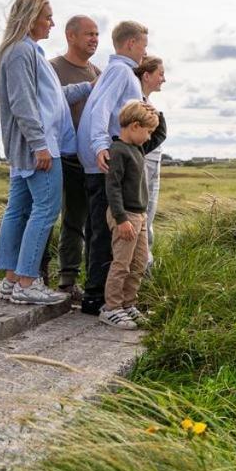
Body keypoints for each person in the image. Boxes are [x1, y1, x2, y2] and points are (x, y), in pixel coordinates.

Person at [0, 0, 93, 304]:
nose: (51, 22)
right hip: (39, 147)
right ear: (31, 17)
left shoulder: (26, 51)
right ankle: (27, 283)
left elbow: (53, 97)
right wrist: (40, 145)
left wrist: (89, 86)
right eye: (47, 17)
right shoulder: (23, 52)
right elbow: (23, 104)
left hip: (28, 148)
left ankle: (12, 280)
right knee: (46, 210)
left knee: (18, 210)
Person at [77, 20, 148, 316]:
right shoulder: (121, 71)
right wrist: (99, 146)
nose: (146, 50)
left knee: (98, 229)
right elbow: (101, 109)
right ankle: (101, 299)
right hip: (105, 161)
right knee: (107, 234)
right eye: (143, 44)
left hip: (101, 159)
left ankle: (101, 296)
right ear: (130, 43)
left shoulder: (117, 71)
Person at [40, 15, 100, 302]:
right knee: (55, 218)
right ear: (70, 36)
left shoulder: (97, 72)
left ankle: (81, 281)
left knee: (88, 221)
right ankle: (52, 279)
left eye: (97, 34)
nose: (94, 39)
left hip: (88, 158)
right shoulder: (53, 68)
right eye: (89, 34)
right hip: (58, 156)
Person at [101, 100, 159, 330]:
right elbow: (112, 188)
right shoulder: (119, 151)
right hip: (124, 216)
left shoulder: (137, 148)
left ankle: (128, 303)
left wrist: (154, 112)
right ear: (134, 126)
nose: (149, 137)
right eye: (147, 131)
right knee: (122, 264)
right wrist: (121, 219)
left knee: (139, 263)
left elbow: (159, 132)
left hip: (140, 216)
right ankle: (111, 308)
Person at [135, 55, 167, 272]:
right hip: (145, 164)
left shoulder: (147, 103)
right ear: (146, 76)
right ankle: (141, 274)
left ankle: (144, 272)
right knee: (143, 219)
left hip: (152, 164)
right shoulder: (138, 104)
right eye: (161, 74)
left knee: (148, 221)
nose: (164, 79)